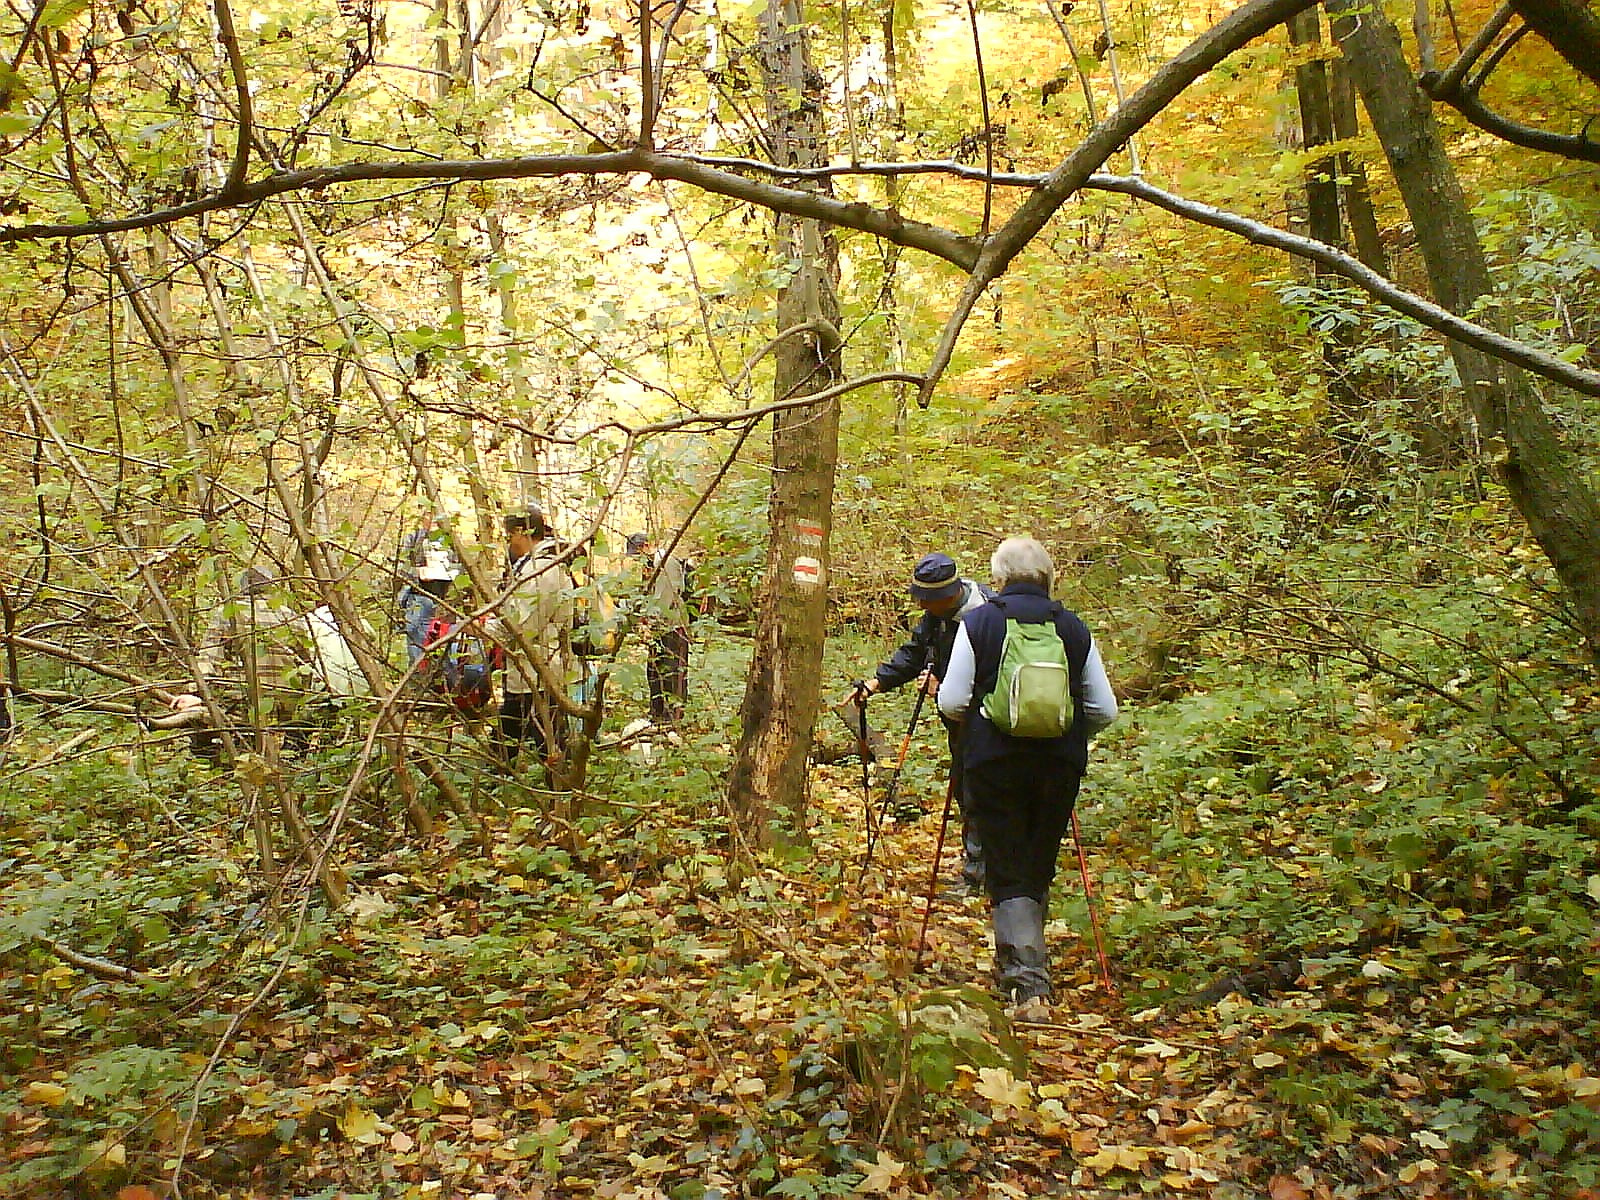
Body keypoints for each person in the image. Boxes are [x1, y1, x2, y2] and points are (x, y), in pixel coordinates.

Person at [937, 536, 1118, 1009]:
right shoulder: (1075, 629)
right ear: (1048, 576)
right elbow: (1103, 708)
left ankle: (1026, 979)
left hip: (993, 762)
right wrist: (1067, 731)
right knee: (1037, 858)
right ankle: (1029, 962)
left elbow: (952, 701)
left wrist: (982, 721)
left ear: (997, 577)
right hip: (1058, 764)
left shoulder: (978, 623)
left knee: (1005, 862)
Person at [849, 552, 994, 885]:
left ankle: (981, 877)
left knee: (979, 795)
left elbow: (996, 679)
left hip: (988, 724)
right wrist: (876, 683)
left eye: (928, 601)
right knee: (966, 791)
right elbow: (915, 652)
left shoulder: (986, 617)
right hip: (959, 721)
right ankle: (980, 868)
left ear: (946, 595)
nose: (924, 608)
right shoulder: (939, 615)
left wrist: (942, 689)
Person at [482, 505, 573, 765]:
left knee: (546, 734)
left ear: (522, 532)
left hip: (539, 667)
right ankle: (497, 771)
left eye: (510, 535)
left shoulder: (542, 570)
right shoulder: (533, 566)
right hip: (529, 668)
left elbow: (523, 626)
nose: (508, 542)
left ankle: (560, 787)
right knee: (515, 723)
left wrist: (486, 628)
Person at [626, 531, 691, 724]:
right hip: (658, 630)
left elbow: (665, 598)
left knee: (672, 674)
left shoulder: (666, 563)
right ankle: (657, 715)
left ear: (646, 546)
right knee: (654, 674)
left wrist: (651, 623)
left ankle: (673, 720)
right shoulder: (650, 566)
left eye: (638, 552)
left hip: (672, 628)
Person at [396, 516, 460, 666]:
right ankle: (419, 675)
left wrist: (452, 574)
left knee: (444, 644)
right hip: (419, 598)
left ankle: (443, 679)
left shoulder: (450, 541)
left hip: (445, 602)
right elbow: (400, 566)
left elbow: (461, 566)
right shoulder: (414, 539)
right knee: (417, 640)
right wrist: (418, 572)